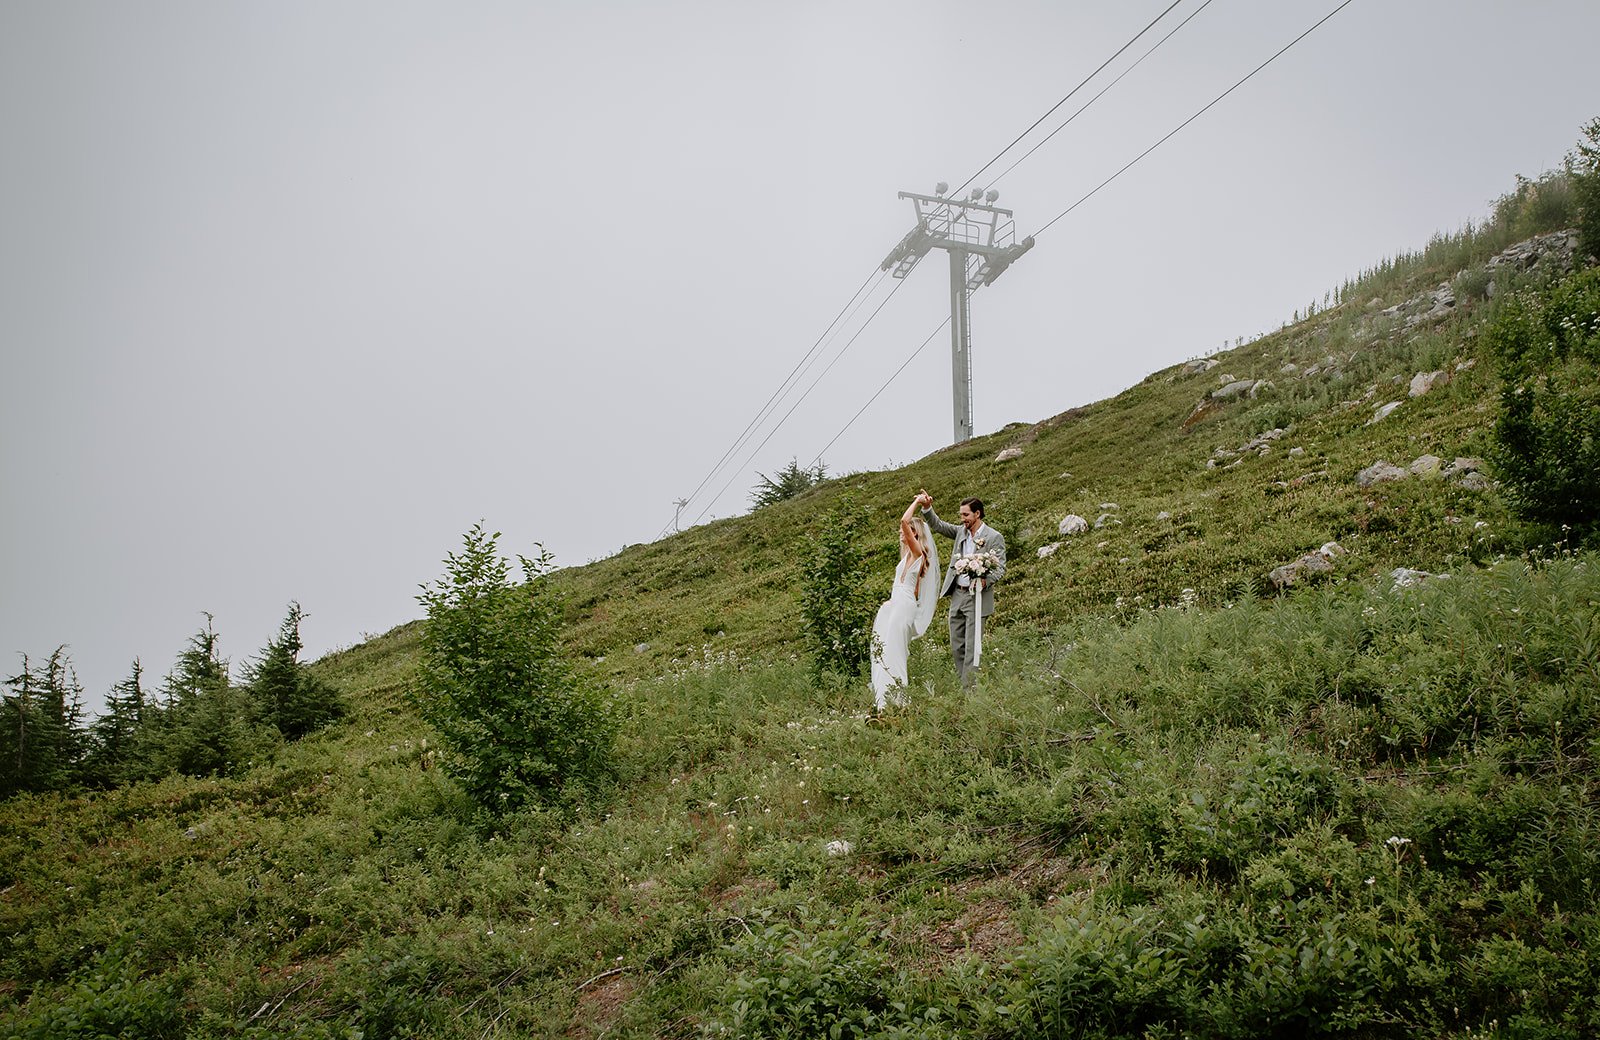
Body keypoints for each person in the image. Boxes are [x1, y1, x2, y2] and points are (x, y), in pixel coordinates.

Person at [919, 490, 1006, 686]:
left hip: (977, 597)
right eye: (961, 515)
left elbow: (1000, 567)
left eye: (966, 515)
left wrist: (985, 580)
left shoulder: (993, 536)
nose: (962, 519)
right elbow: (938, 525)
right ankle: (964, 683)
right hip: (957, 593)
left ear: (977, 514)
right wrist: (927, 508)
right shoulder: (960, 532)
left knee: (972, 647)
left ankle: (970, 690)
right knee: (957, 645)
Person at [869, 495, 941, 711]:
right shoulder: (908, 557)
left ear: (914, 532)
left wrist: (918, 503)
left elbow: (903, 521)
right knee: (884, 650)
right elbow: (912, 588)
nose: (901, 532)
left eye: (906, 531)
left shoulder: (918, 552)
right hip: (899, 604)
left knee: (895, 652)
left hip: (903, 606)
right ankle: (883, 701)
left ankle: (899, 701)